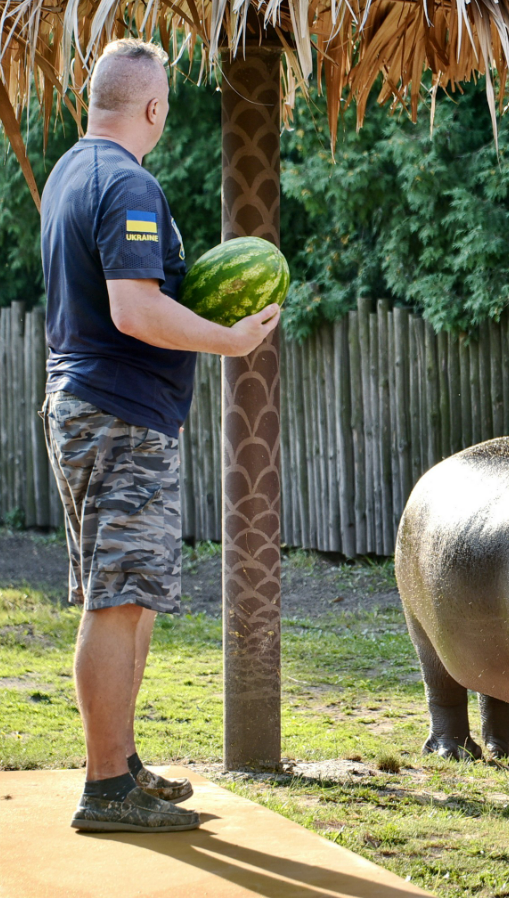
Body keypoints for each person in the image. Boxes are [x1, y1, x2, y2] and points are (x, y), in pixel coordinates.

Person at [40, 38, 280, 833]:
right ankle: (106, 788)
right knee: (118, 599)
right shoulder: (128, 182)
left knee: (127, 598)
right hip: (120, 414)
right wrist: (232, 340)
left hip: (87, 406)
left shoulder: (72, 174)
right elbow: (134, 310)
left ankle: (123, 767)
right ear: (153, 108)